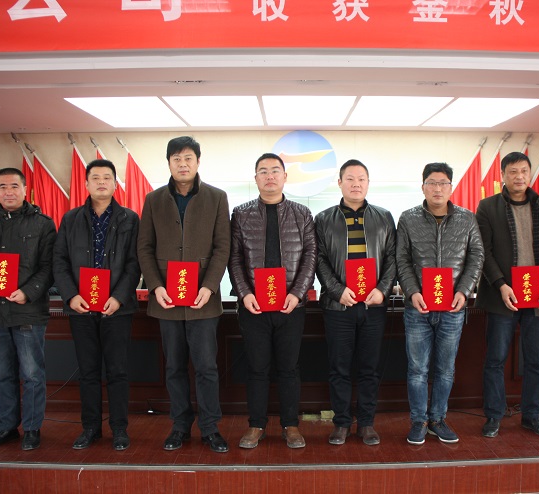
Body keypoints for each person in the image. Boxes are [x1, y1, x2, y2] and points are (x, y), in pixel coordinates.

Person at [137, 136, 231, 453]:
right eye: (176, 158)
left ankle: (210, 428)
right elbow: (144, 248)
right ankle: (179, 426)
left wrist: (209, 286)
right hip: (166, 300)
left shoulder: (216, 198)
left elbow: (222, 247)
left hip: (203, 300)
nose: (182, 164)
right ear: (168, 163)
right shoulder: (153, 200)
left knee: (206, 368)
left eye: (188, 157)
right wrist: (155, 286)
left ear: (198, 161)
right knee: (174, 368)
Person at [229, 153, 317, 449]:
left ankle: (291, 425)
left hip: (291, 306)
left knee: (289, 368)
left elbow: (311, 256)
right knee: (257, 368)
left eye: (275, 170)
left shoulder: (302, 213)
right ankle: (256, 425)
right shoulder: (241, 214)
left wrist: (297, 293)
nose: (270, 176)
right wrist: (245, 293)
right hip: (253, 306)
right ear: (255, 178)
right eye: (263, 171)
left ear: (284, 177)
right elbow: (234, 258)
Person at [0, 167, 56, 451]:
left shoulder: (42, 224)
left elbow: (49, 267)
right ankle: (6, 427)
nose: (8, 192)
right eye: (2, 186)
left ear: (25, 189)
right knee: (2, 374)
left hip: (28, 310)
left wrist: (28, 292)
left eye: (14, 186)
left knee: (32, 374)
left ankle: (31, 428)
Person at [53, 159, 140, 451]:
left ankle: (119, 429)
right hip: (81, 307)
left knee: (118, 371)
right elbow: (59, 261)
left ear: (115, 184)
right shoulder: (71, 219)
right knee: (88, 372)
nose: (101, 182)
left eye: (107, 178)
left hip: (117, 308)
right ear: (86, 184)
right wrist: (70, 295)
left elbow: (134, 263)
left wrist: (119, 297)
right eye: (95, 178)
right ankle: (90, 428)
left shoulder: (130, 219)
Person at [476, 151, 539, 438]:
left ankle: (531, 415)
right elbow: (484, 252)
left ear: (530, 174)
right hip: (503, 295)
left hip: (538, 295)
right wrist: (501, 284)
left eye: (524, 171)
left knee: (535, 361)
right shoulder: (488, 207)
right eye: (512, 171)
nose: (519, 176)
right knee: (495, 359)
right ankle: (493, 416)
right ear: (502, 175)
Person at [396, 162, 484, 445]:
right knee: (417, 370)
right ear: (423, 187)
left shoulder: (467, 219)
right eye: (432, 183)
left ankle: (438, 419)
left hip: (452, 308)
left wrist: (464, 291)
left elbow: (476, 257)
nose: (437, 188)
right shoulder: (408, 219)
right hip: (418, 308)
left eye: (443, 183)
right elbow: (401, 259)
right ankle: (419, 421)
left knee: (446, 369)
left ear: (451, 187)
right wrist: (412, 291)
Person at [314, 159, 397, 446]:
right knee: (339, 368)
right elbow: (319, 260)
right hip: (339, 307)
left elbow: (393, 257)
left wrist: (383, 290)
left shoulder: (384, 217)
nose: (356, 184)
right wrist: (337, 290)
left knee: (369, 368)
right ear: (339, 183)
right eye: (350, 178)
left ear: (368, 183)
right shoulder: (323, 219)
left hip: (373, 306)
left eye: (361, 178)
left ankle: (366, 423)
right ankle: (341, 423)